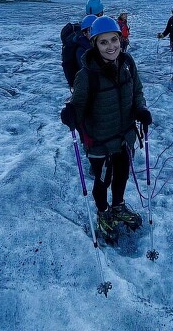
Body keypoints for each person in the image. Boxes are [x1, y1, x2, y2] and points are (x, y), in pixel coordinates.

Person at [71, 16, 151, 239]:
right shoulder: (86, 76)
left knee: (122, 174)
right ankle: (103, 212)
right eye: (103, 42)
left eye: (114, 40)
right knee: (103, 180)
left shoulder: (127, 63)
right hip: (100, 142)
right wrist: (69, 113)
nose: (110, 46)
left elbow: (137, 92)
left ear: (120, 39)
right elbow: (77, 107)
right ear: (95, 43)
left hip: (125, 136)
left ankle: (118, 206)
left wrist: (141, 110)